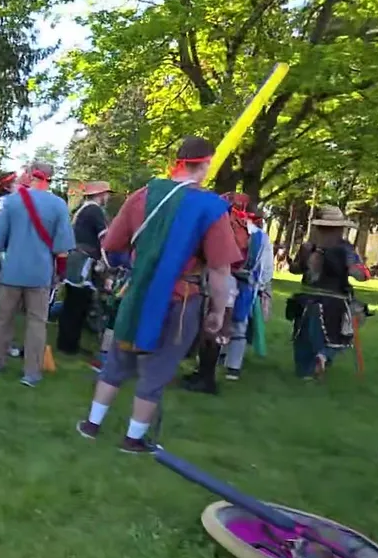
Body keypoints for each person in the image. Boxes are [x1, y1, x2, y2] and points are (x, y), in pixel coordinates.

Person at [74, 137, 241, 453]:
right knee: (158, 369)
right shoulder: (211, 207)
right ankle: (133, 439)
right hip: (181, 299)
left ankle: (91, 425)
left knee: (118, 361)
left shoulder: (142, 195)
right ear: (206, 165)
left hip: (136, 293)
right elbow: (220, 270)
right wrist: (219, 311)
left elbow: (111, 245)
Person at [0, 162, 76, 387]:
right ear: (50, 178)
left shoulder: (12, 201)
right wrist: (60, 273)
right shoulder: (58, 205)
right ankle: (31, 373)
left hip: (12, 270)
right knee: (37, 323)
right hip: (40, 273)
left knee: (2, 318)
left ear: (31, 175)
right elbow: (62, 248)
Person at [286, 206, 370, 379]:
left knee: (303, 339)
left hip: (306, 299)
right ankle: (323, 356)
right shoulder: (345, 248)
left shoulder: (308, 246)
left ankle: (305, 373)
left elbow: (295, 269)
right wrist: (360, 269)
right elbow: (359, 274)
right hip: (334, 302)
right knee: (337, 337)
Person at [182, 191, 253, 394]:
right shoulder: (243, 227)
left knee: (213, 329)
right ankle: (203, 374)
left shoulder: (227, 225)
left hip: (222, 278)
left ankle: (207, 379)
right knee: (213, 329)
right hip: (228, 278)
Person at [56, 181, 114, 355]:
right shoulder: (94, 210)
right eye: (106, 194)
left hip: (76, 259)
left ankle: (66, 343)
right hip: (83, 261)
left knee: (72, 302)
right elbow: (105, 239)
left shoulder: (82, 209)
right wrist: (108, 264)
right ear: (100, 194)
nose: (108, 197)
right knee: (78, 304)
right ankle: (69, 346)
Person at [222, 209, 275, 380]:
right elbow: (266, 268)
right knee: (238, 322)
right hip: (245, 283)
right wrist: (261, 284)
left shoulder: (225, 228)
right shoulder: (261, 237)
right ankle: (232, 366)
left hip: (225, 278)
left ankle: (218, 358)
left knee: (221, 318)